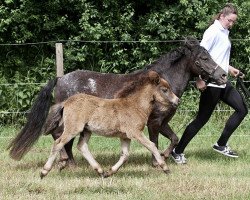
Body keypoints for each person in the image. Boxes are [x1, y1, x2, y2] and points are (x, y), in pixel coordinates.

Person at [171, 3, 248, 164]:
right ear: (221, 16)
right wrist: (199, 79)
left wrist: (230, 68)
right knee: (201, 119)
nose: (231, 24)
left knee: (242, 109)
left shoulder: (224, 31)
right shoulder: (212, 32)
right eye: (229, 20)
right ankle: (177, 151)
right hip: (211, 83)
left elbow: (216, 57)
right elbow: (199, 57)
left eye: (233, 21)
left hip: (222, 80)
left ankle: (221, 144)